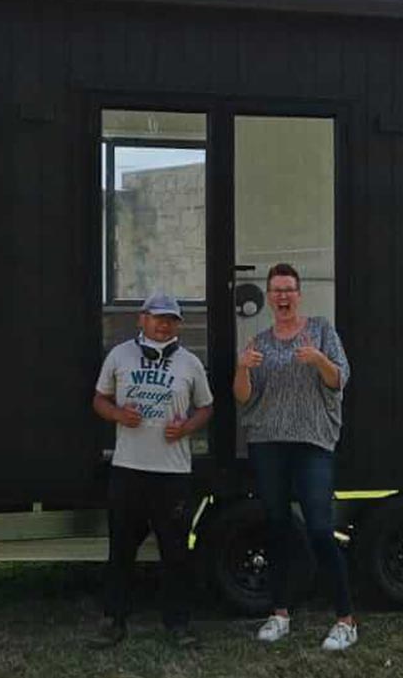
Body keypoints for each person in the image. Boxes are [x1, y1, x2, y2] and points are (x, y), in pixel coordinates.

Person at [233, 262, 357, 652]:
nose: (282, 296)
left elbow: (340, 379)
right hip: (269, 442)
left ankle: (346, 619)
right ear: (269, 297)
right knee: (278, 526)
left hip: (313, 442)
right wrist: (241, 368)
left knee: (320, 528)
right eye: (276, 290)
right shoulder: (260, 343)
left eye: (289, 289)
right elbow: (243, 398)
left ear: (299, 294)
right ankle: (280, 613)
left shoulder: (321, 330)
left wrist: (318, 359)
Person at [91, 292, 214, 647]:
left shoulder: (190, 363)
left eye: (171, 319)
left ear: (179, 324)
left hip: (173, 473)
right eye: (157, 317)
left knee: (175, 551)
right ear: (141, 319)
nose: (164, 325)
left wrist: (188, 427)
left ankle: (178, 625)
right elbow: (99, 399)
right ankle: (114, 621)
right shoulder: (119, 355)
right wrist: (118, 415)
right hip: (128, 469)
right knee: (121, 550)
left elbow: (206, 407)